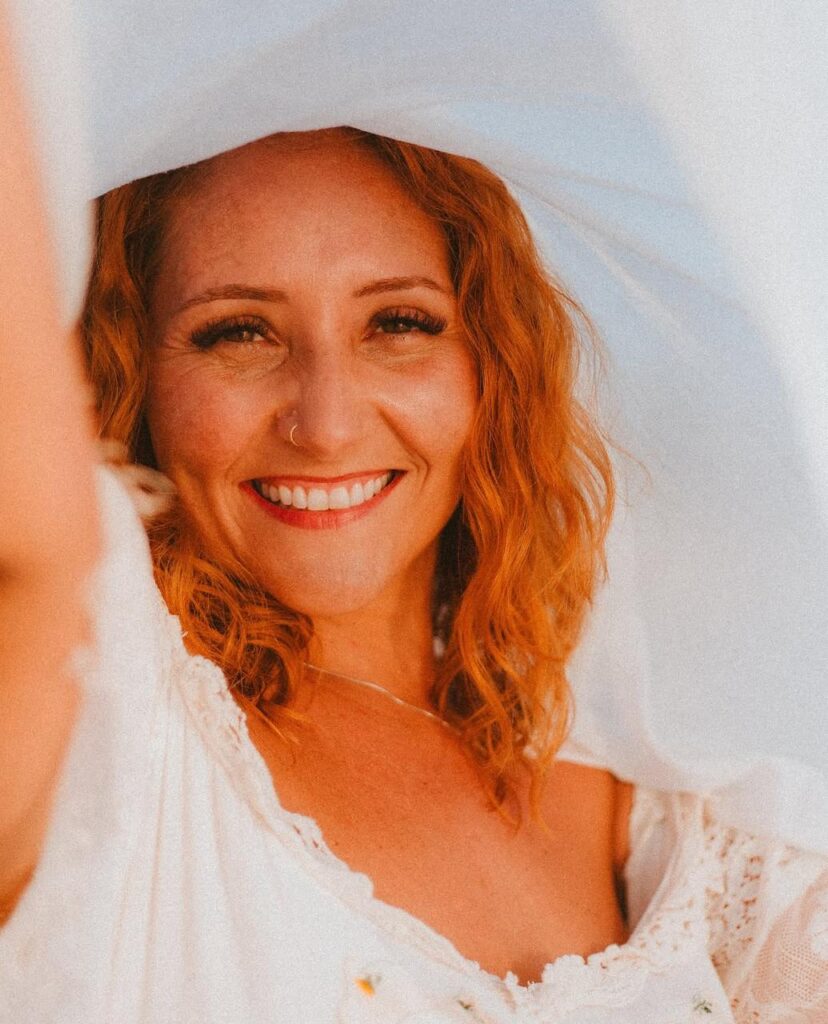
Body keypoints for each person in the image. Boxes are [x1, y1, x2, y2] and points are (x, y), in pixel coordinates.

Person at [0, 72, 825, 1024]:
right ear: (130, 374)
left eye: (397, 322)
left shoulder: (670, 809)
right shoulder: (102, 722)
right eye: (238, 333)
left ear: (491, 368)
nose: (327, 424)